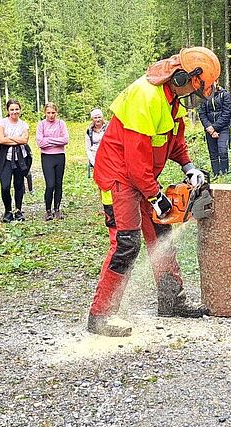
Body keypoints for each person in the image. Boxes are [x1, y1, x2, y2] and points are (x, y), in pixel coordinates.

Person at [88, 46, 220, 337]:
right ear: (185, 77)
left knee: (161, 234)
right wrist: (154, 195)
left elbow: (174, 141)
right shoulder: (145, 96)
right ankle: (100, 315)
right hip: (119, 179)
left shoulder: (172, 100)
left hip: (143, 177)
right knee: (126, 244)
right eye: (197, 90)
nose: (195, 98)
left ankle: (171, 301)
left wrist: (188, 166)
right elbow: (135, 161)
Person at [0, 99, 31, 223]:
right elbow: (1, 140)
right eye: (12, 109)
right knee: (5, 186)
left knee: (19, 185)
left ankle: (18, 210)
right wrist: (17, 139)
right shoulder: (2, 123)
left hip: (21, 158)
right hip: (6, 158)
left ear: (20, 110)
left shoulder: (24, 124)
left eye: (17, 109)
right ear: (8, 110)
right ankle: (7, 210)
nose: (14, 112)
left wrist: (9, 138)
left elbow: (25, 140)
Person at [36, 102, 70, 221]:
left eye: (53, 113)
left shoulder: (61, 124)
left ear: (57, 112)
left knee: (58, 183)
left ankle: (57, 209)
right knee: (50, 184)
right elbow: (40, 142)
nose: (51, 115)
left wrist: (48, 140)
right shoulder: (41, 125)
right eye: (48, 113)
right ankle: (48, 210)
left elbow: (65, 140)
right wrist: (56, 140)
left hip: (59, 156)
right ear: (45, 113)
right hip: (47, 157)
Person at [198, 82, 231, 177]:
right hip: (209, 129)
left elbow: (227, 114)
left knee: (223, 150)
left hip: (223, 127)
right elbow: (202, 114)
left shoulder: (225, 95)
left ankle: (225, 173)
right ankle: (216, 174)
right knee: (213, 153)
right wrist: (210, 129)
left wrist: (214, 127)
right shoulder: (203, 96)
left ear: (216, 82)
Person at [85, 108, 107, 177]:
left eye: (99, 117)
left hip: (108, 156)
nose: (97, 119)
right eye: (95, 118)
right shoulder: (89, 131)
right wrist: (93, 162)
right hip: (95, 157)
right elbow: (88, 149)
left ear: (102, 118)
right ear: (92, 119)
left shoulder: (108, 128)